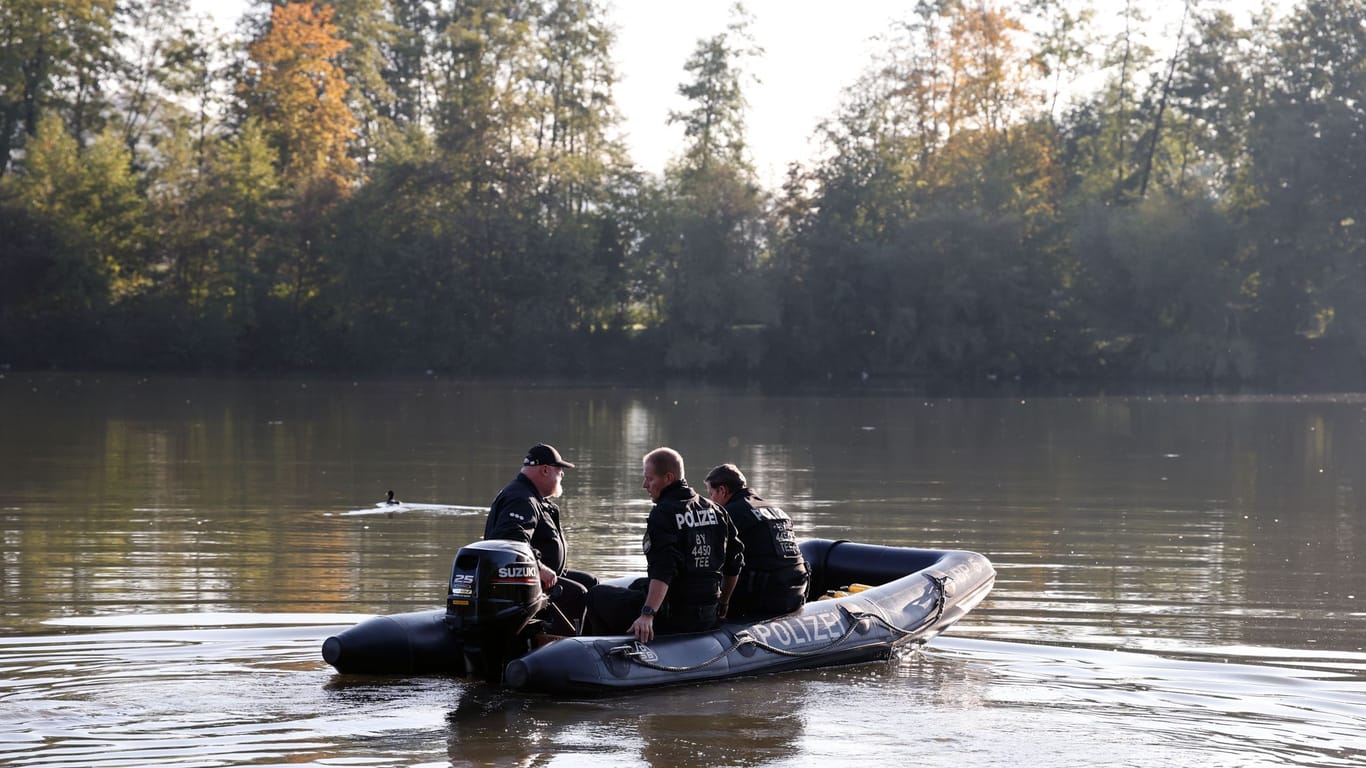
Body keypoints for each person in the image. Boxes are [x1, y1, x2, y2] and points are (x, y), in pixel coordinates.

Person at [584, 447, 743, 642]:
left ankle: (605, 651)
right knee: (637, 585)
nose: (645, 485)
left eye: (650, 479)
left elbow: (664, 568)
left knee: (596, 595)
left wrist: (647, 614)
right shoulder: (717, 511)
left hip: (673, 615)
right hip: (708, 613)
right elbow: (734, 563)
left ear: (668, 478)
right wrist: (723, 603)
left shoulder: (664, 513)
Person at [483, 443, 597, 635]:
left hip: (541, 577)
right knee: (577, 593)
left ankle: (595, 643)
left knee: (590, 582)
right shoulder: (521, 498)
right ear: (545, 470)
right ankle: (564, 649)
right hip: (523, 583)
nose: (562, 475)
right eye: (559, 470)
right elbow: (509, 541)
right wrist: (540, 568)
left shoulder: (532, 497)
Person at [704, 463, 809, 618]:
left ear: (722, 490)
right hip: (797, 592)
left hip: (765, 599)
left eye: (710, 493)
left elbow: (715, 561)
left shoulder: (729, 514)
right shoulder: (776, 510)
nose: (709, 500)